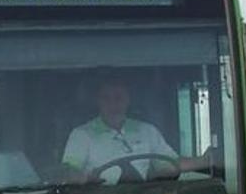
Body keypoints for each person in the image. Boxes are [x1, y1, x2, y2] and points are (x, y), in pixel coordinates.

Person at [63, 76, 211, 184]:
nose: (112, 104)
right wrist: (86, 179)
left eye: (118, 98)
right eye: (106, 98)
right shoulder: (81, 135)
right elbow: (69, 171)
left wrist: (206, 161)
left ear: (128, 100)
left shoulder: (147, 131)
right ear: (98, 101)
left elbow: (168, 166)